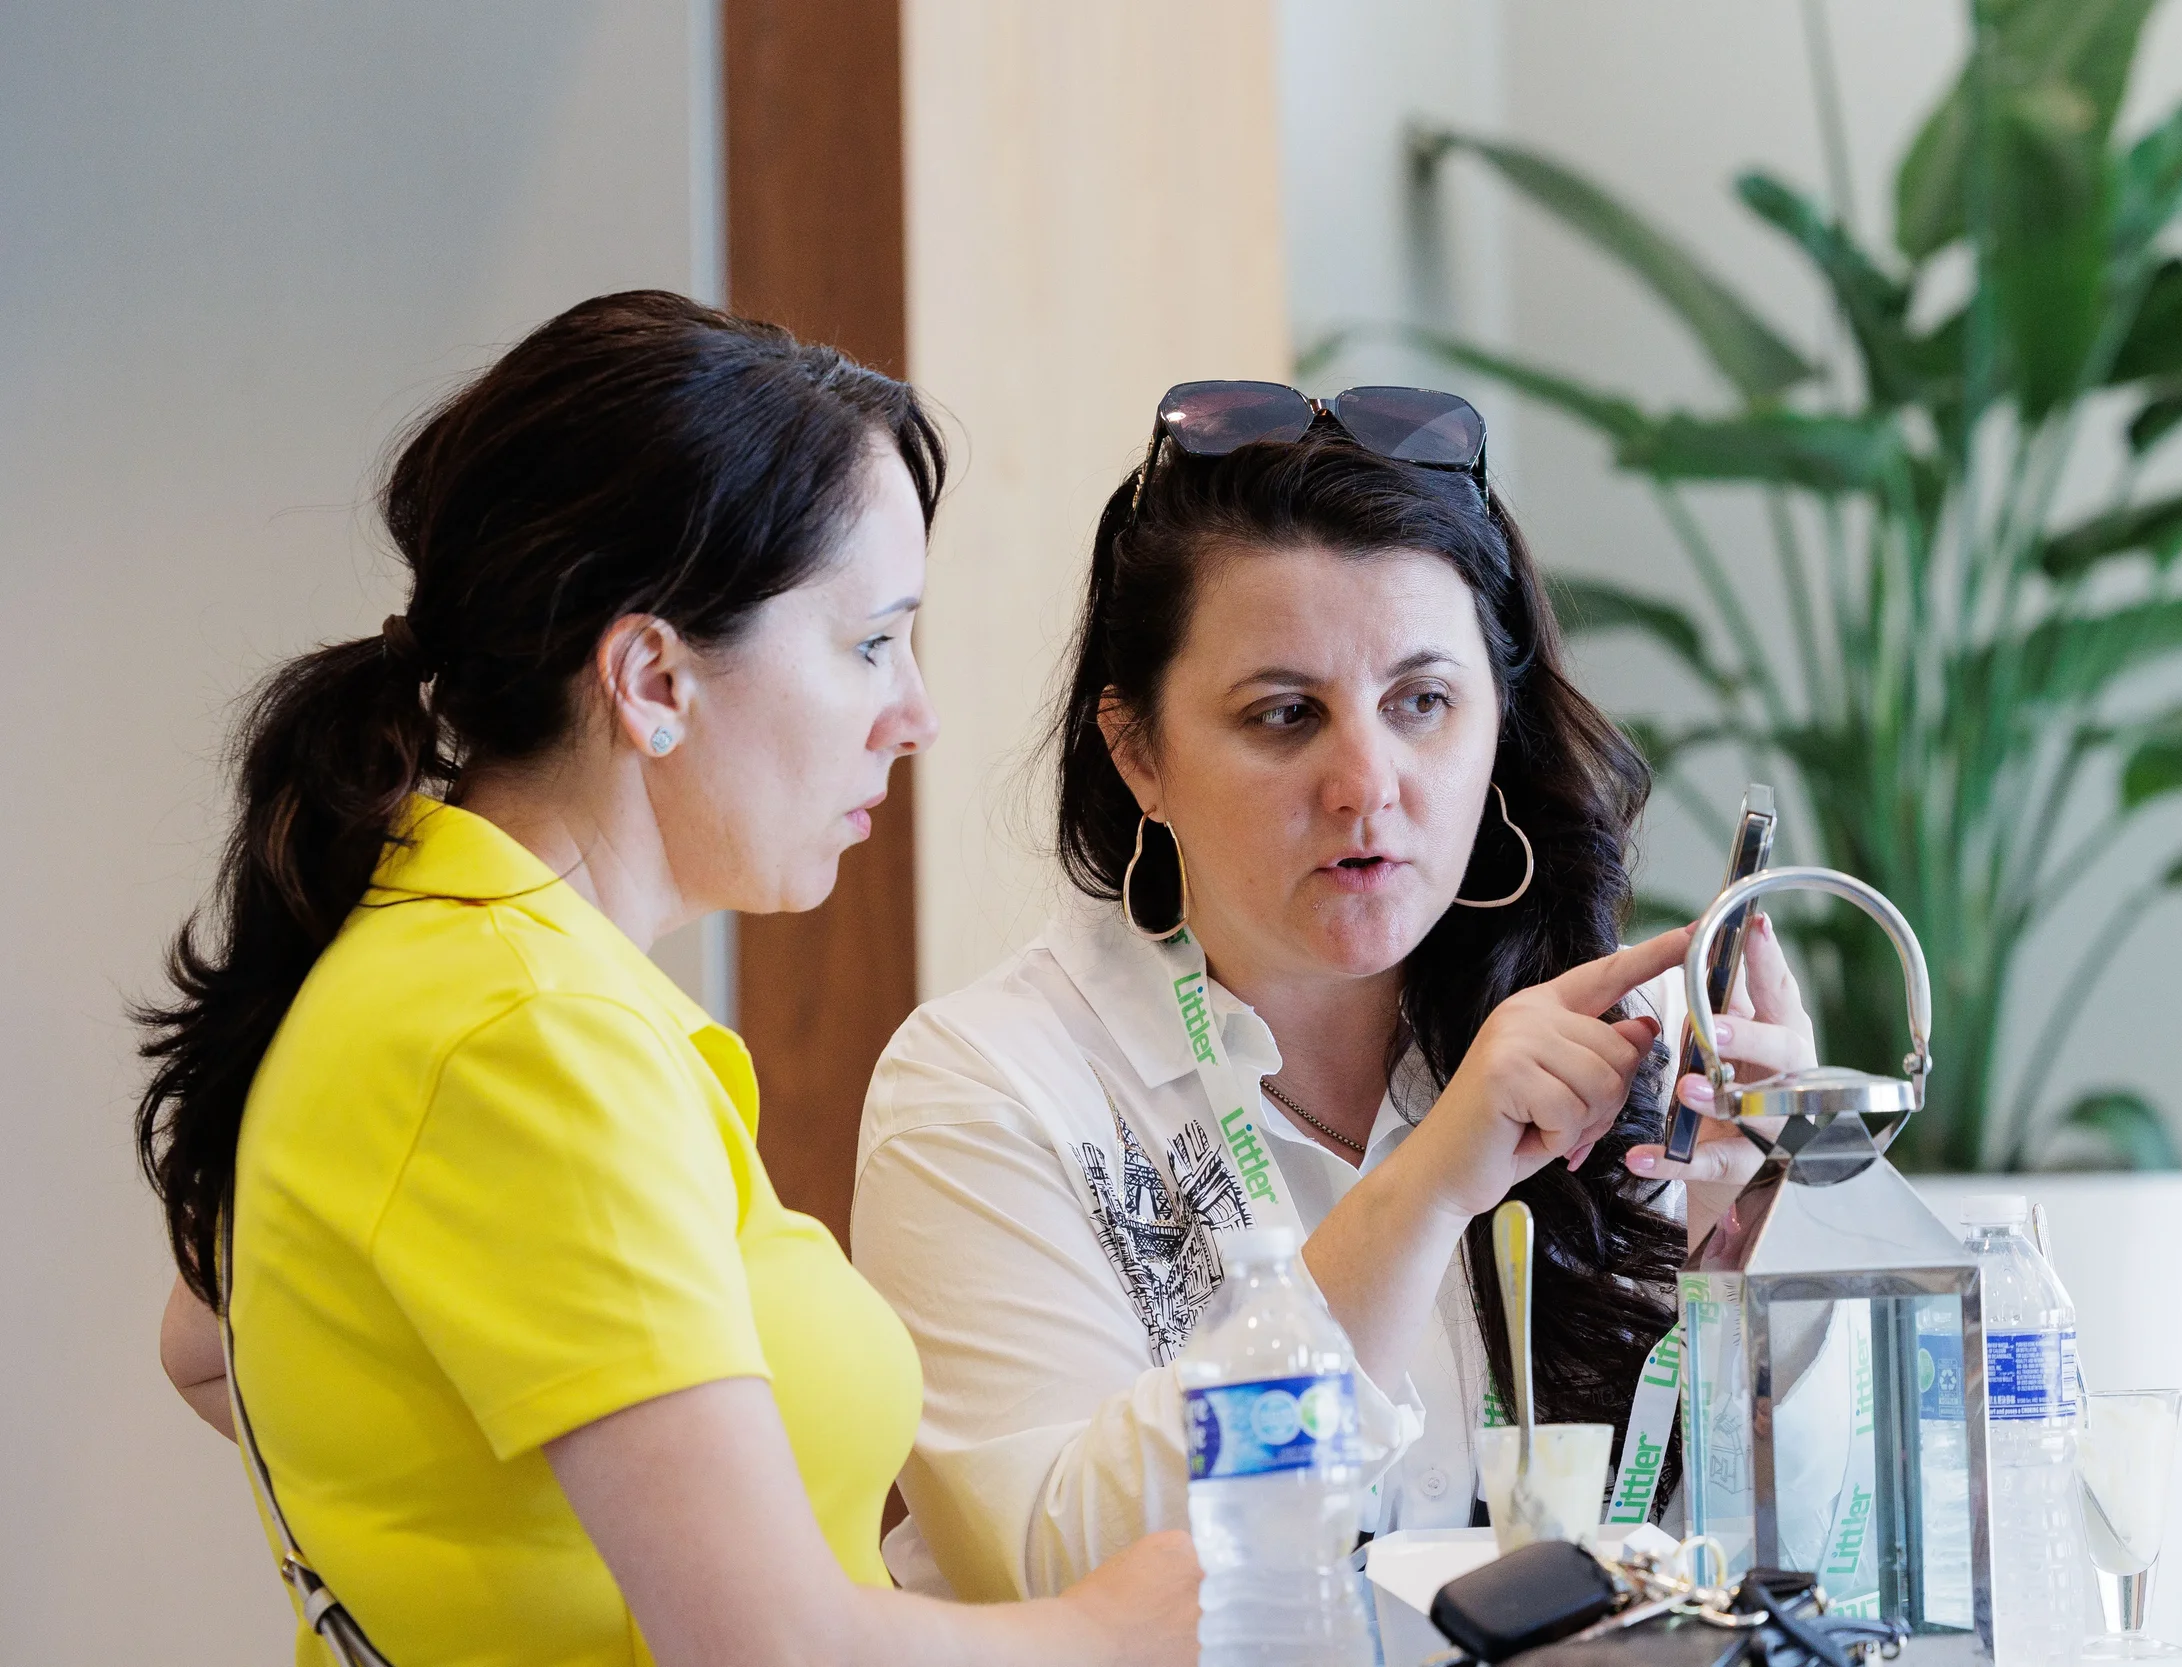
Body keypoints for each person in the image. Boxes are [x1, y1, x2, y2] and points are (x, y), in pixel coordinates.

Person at [140, 291, 1195, 1667]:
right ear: (649, 678)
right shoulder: (525, 1030)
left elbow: (210, 1342)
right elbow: (767, 1644)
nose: (915, 714)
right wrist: (1108, 1630)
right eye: (871, 641)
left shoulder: (436, 956)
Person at [850, 380, 1817, 1602]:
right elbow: (1052, 1569)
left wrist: (1760, 1236)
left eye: (1422, 702)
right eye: (1284, 713)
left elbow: (1779, 1568)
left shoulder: (1637, 1062)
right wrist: (1421, 1193)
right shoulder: (985, 1084)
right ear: (1137, 749)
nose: (1367, 781)